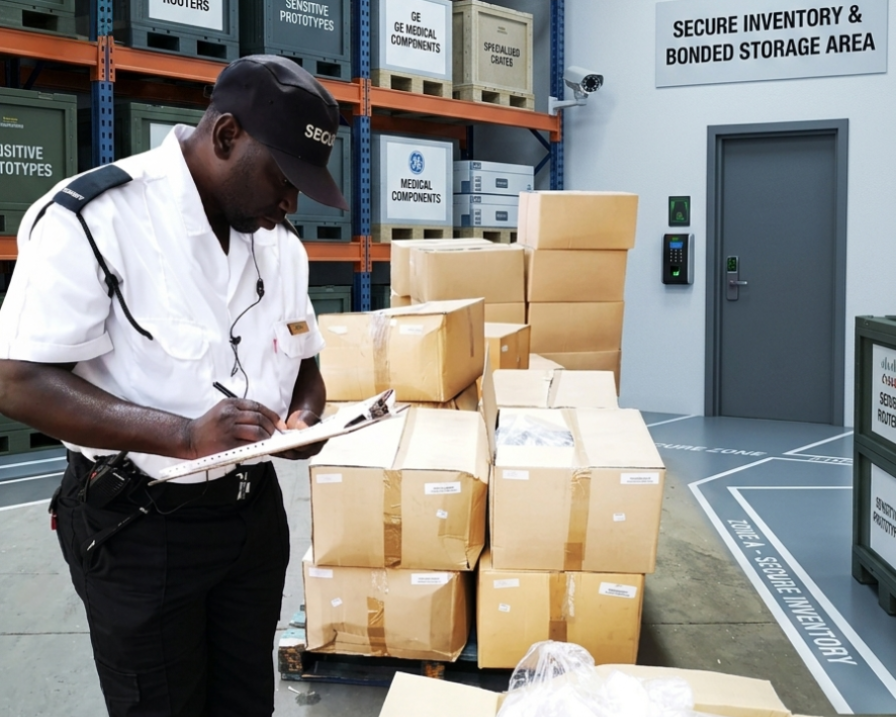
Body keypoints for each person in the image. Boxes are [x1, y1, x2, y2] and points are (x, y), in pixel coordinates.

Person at [0, 55, 348, 717]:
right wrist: (182, 434)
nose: (290, 203)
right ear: (225, 137)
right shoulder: (94, 219)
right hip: (141, 525)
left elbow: (305, 361)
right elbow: (17, 382)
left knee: (245, 700)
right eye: (283, 178)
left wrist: (307, 419)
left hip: (250, 519)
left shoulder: (279, 244)